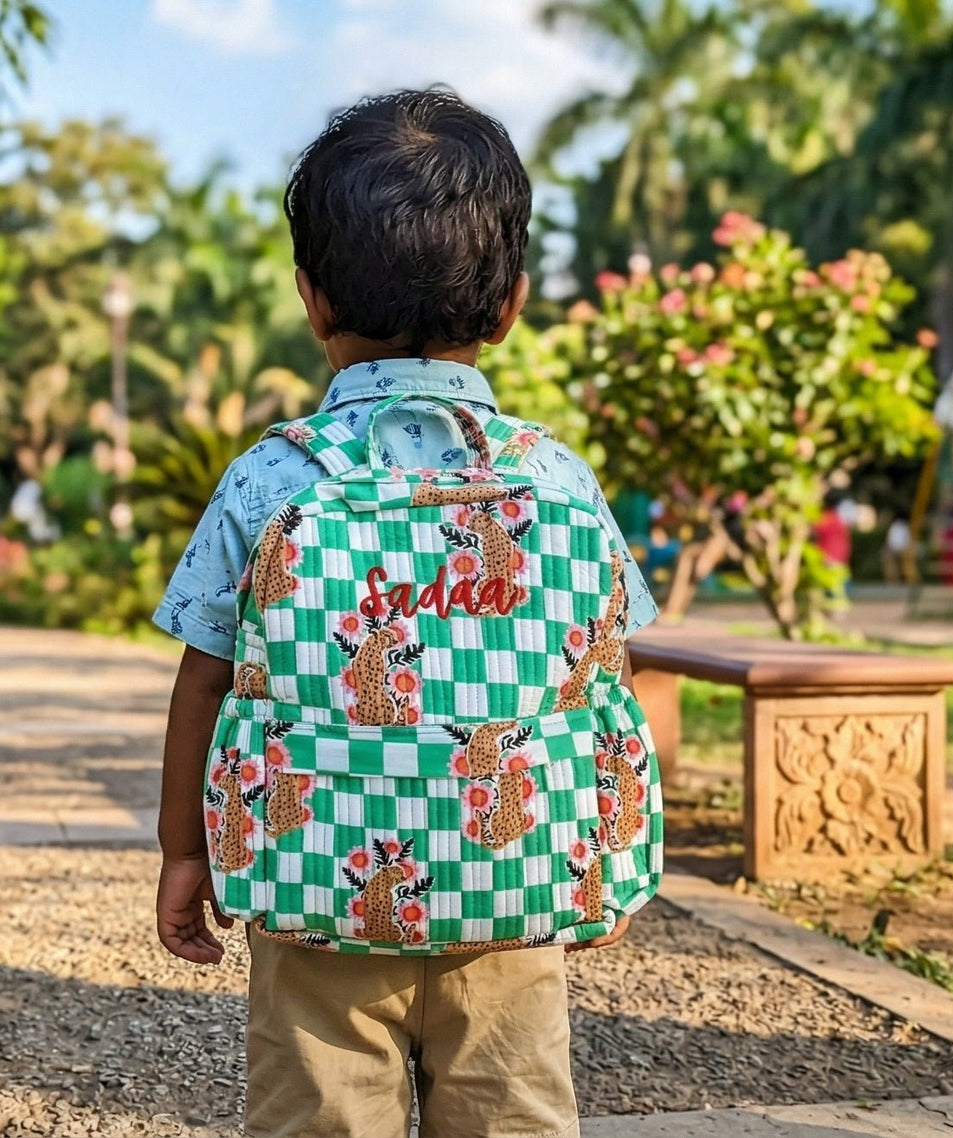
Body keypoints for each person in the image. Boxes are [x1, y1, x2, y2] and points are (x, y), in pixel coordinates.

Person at [152, 89, 658, 1138]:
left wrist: (184, 850)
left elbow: (205, 674)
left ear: (312, 298)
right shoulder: (555, 477)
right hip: (512, 888)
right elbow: (610, 669)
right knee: (514, 1115)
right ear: (511, 301)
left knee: (319, 1117)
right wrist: (609, 849)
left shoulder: (272, 479)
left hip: (312, 888)